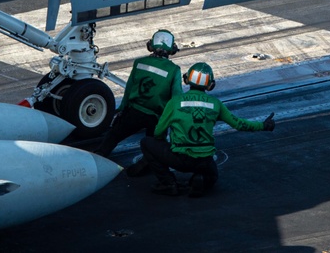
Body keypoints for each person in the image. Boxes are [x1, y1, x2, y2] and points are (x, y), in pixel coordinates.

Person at [140, 62, 276, 197]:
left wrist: (166, 143)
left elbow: (158, 132)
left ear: (187, 79)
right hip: (204, 160)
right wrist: (263, 125)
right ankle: (199, 180)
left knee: (146, 142)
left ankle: (168, 183)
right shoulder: (215, 104)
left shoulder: (175, 102)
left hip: (179, 158)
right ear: (210, 85)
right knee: (212, 177)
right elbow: (239, 124)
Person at [94, 30, 182, 162]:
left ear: (150, 46)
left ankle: (97, 157)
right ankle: (151, 167)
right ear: (172, 49)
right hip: (156, 117)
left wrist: (122, 110)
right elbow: (177, 98)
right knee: (156, 147)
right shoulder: (174, 70)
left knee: (113, 136)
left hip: (134, 111)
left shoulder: (139, 62)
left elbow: (129, 89)